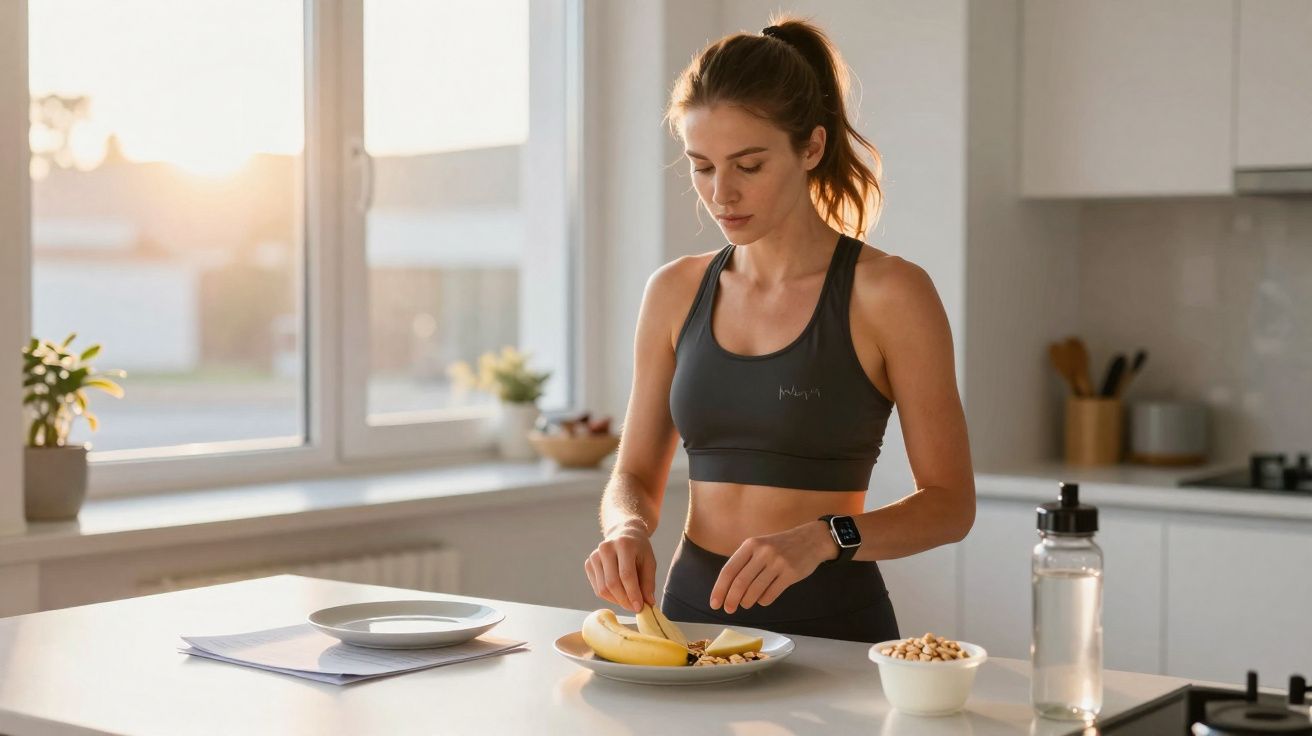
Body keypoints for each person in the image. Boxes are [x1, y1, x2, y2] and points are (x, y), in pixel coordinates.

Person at [584, 15, 975, 644]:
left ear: (812, 148)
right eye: (702, 166)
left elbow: (950, 504)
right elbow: (632, 477)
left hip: (834, 627)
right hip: (690, 621)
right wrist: (625, 529)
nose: (722, 193)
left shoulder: (890, 293)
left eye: (749, 164)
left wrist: (826, 537)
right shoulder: (673, 292)